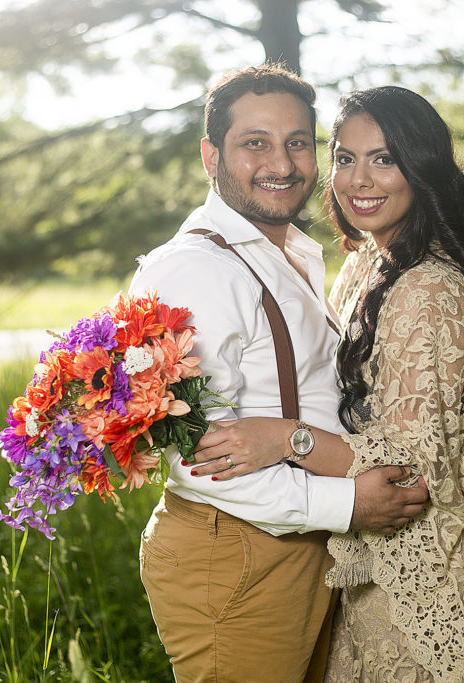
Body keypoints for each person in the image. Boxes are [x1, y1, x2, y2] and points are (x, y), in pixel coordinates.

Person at [192, 86, 464, 681]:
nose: (359, 180)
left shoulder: (427, 289)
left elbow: (407, 477)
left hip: (433, 570)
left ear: (420, 169)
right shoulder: (366, 263)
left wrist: (286, 439)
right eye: (345, 158)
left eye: (384, 158)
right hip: (369, 564)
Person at [128, 68, 430, 682]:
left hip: (296, 538)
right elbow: (201, 456)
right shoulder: (197, 268)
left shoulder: (286, 250)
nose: (283, 163)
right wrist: (347, 502)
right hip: (237, 549)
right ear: (211, 155)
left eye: (297, 142)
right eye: (255, 143)